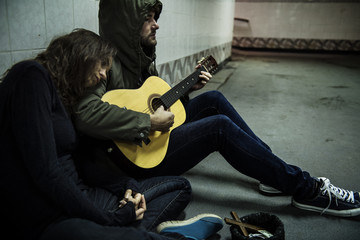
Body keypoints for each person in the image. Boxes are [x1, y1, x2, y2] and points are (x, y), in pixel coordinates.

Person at [73, 0, 360, 218]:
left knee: (213, 100)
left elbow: (160, 109)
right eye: (147, 18)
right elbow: (86, 114)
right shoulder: (102, 63)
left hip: (149, 143)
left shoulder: (142, 61)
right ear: (126, 23)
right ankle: (307, 190)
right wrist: (147, 123)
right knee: (218, 127)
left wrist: (187, 92)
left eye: (155, 17)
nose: (156, 24)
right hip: (133, 161)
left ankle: (272, 171)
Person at [0, 28, 224, 240]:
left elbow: (80, 161)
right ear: (82, 56)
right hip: (50, 214)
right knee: (134, 234)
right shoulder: (31, 76)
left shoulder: (65, 94)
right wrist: (109, 219)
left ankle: (124, 230)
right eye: (102, 65)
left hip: (81, 193)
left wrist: (125, 185)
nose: (103, 74)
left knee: (179, 187)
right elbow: (46, 173)